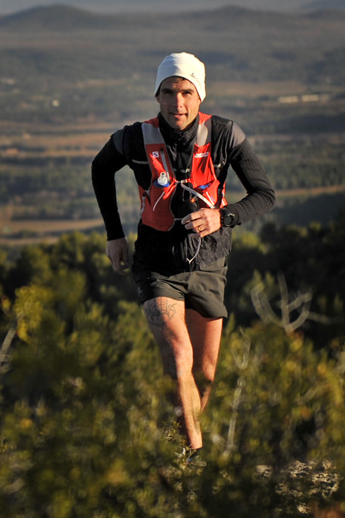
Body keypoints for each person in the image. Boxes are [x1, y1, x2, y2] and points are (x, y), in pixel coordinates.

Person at [91, 52, 275, 452]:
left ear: (200, 96)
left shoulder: (226, 136)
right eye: (169, 92)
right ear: (156, 97)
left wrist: (221, 217)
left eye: (186, 92)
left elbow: (264, 195)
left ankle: (174, 444)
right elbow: (100, 168)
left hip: (209, 263)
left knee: (203, 375)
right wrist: (114, 235)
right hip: (156, 264)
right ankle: (195, 456)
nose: (178, 103)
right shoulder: (135, 138)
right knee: (178, 357)